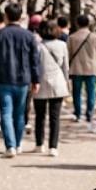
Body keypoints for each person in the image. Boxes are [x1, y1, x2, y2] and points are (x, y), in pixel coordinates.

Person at [0, 3, 42, 158]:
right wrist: (36, 80)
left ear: (6, 16)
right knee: (20, 113)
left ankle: (10, 146)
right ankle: (18, 143)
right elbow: (34, 60)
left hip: (3, 78)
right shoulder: (29, 36)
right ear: (21, 16)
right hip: (23, 79)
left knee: (6, 112)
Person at [33, 20, 70, 156]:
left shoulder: (38, 46)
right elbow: (65, 67)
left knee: (40, 116)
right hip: (58, 82)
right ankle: (53, 147)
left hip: (40, 83)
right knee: (55, 117)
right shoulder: (62, 45)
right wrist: (67, 82)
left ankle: (39, 144)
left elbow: (35, 66)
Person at [67, 14, 96, 128]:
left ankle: (77, 113)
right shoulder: (94, 37)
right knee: (91, 92)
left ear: (77, 23)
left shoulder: (72, 37)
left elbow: (69, 53)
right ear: (88, 23)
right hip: (91, 68)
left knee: (77, 92)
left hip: (76, 68)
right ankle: (89, 113)